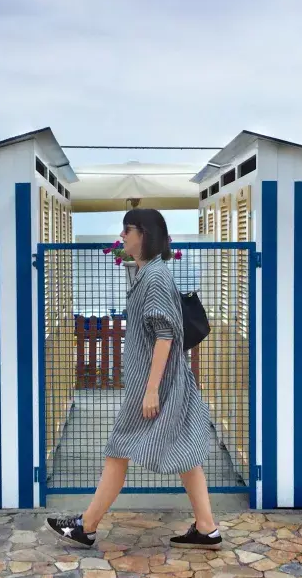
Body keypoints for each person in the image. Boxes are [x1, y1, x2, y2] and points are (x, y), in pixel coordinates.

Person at [45, 208, 222, 550]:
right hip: (165, 382)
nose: (122, 236)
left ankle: (88, 526)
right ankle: (207, 527)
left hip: (155, 384)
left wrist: (151, 389)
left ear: (146, 234)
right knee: (186, 453)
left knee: (117, 450)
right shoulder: (147, 273)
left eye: (128, 230)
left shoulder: (154, 278)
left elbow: (166, 335)